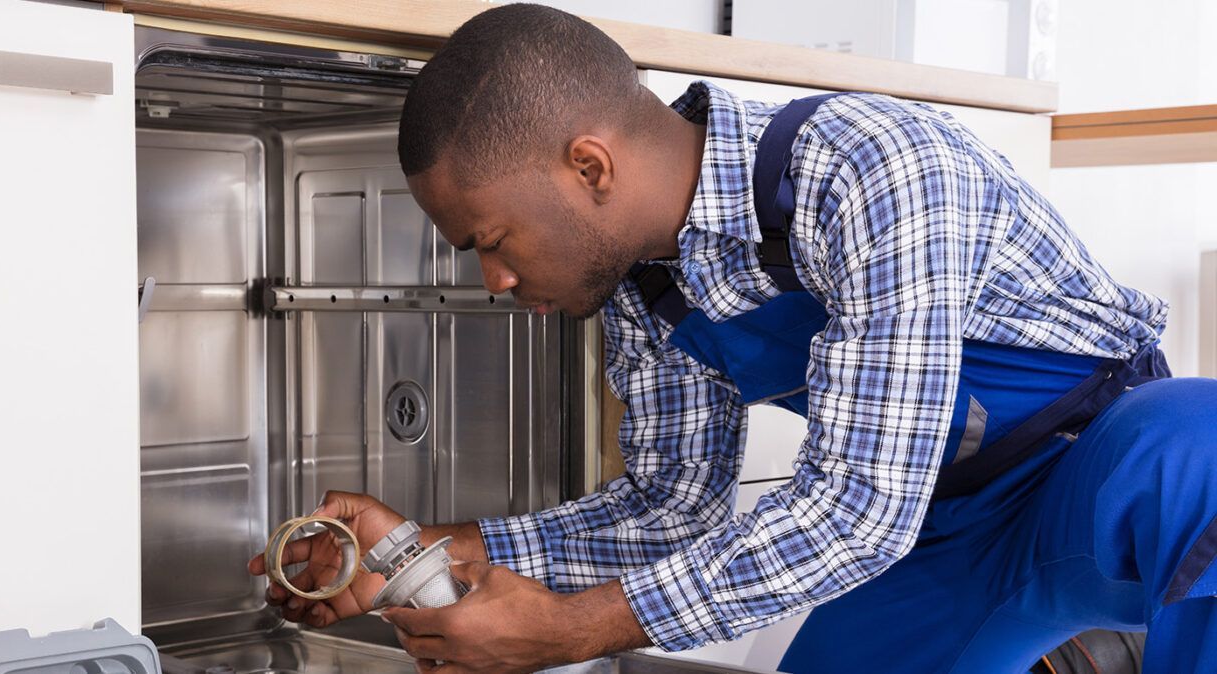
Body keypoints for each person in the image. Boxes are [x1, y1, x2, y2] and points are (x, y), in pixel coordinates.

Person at [248, 4, 1217, 672]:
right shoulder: (640, 288)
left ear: (588, 165)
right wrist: (423, 553)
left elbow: (855, 507)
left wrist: (562, 631)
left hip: (1089, 471)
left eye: (491, 242)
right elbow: (674, 513)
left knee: (1195, 451)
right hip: (940, 537)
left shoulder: (872, 171)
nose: (493, 281)